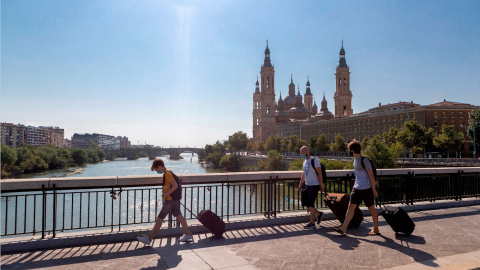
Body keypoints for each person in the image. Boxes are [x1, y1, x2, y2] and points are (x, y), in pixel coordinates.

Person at [137, 158, 193, 245]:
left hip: (169, 201)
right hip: (174, 200)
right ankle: (188, 234)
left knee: (160, 219)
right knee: (180, 217)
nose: (156, 171)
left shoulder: (167, 174)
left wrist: (166, 194)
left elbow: (175, 186)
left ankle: (149, 238)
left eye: (156, 169)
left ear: (159, 166)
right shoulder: (168, 172)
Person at [333, 140, 380, 236]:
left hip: (366, 188)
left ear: (352, 150)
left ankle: (376, 229)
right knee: (350, 206)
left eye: (349, 149)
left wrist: (374, 189)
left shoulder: (365, 160)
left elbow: (371, 176)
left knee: (371, 208)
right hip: (357, 188)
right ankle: (343, 228)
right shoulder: (355, 160)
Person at [298, 146, 324, 229]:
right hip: (307, 185)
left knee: (311, 204)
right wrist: (300, 184)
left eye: (303, 153)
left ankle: (312, 223)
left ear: (307, 152)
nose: (302, 155)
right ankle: (318, 214)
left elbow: (320, 174)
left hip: (314, 185)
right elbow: (304, 174)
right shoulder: (305, 161)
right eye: (301, 154)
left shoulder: (314, 160)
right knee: (306, 204)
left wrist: (321, 186)